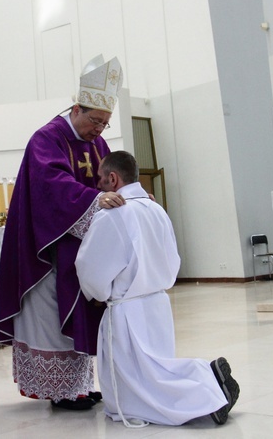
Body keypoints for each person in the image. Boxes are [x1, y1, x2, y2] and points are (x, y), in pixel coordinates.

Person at [0, 55, 126, 411]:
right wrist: (95, 201)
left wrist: (130, 196)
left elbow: (111, 180)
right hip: (46, 249)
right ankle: (60, 390)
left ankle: (78, 384)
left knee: (81, 314)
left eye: (105, 124)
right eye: (95, 120)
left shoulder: (96, 144)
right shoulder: (46, 138)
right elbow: (53, 184)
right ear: (77, 108)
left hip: (79, 247)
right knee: (51, 314)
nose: (99, 130)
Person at [75, 151, 241, 427]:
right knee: (155, 368)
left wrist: (99, 294)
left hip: (127, 309)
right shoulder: (156, 209)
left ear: (113, 179)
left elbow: (91, 267)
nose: (98, 187)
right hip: (157, 304)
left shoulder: (113, 215)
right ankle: (207, 384)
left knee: (142, 381)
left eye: (101, 181)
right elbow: (172, 258)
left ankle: (207, 388)